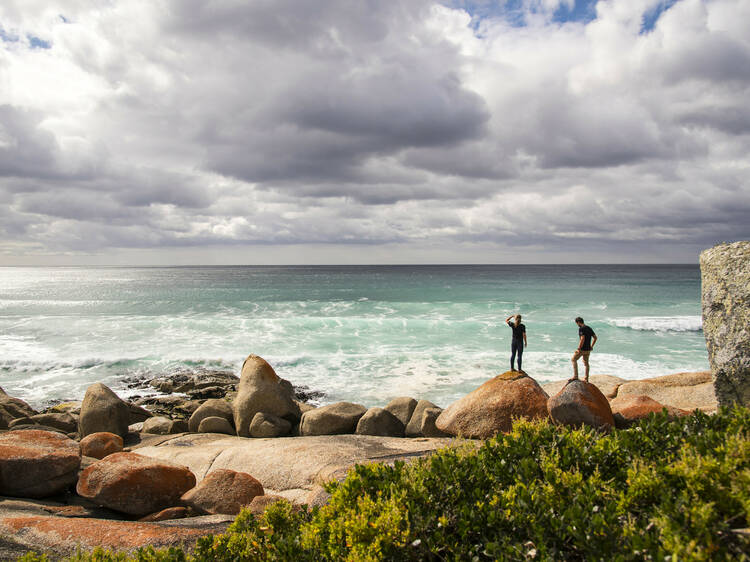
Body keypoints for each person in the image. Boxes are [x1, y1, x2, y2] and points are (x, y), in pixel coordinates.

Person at [571, 316, 597, 381]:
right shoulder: (589, 328)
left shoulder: (581, 329)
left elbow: (582, 338)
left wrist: (579, 348)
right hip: (588, 349)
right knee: (586, 364)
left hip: (582, 349)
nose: (577, 325)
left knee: (573, 359)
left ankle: (576, 376)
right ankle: (586, 378)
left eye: (577, 323)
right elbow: (595, 337)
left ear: (578, 322)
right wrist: (591, 346)